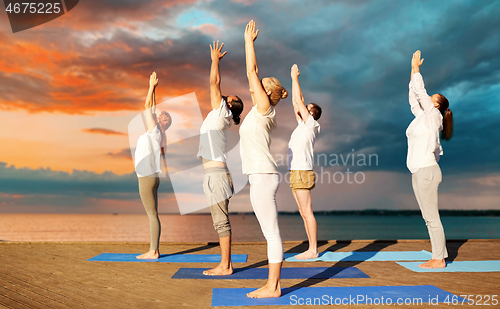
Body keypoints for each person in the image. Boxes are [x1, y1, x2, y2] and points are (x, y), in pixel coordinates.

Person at [240, 20, 288, 298]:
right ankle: (274, 284)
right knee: (269, 232)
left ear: (267, 93)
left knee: (271, 233)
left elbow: (251, 71)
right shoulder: (260, 112)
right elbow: (253, 77)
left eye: (260, 85)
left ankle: (273, 287)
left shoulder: (264, 107)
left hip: (263, 176)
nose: (255, 85)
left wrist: (248, 43)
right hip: (260, 176)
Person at [197, 41, 244, 276]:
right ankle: (226, 263)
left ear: (230, 105)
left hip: (216, 175)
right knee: (220, 220)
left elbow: (214, 82)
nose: (225, 95)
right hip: (215, 174)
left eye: (229, 96)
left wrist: (215, 60)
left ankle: (226, 266)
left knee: (221, 222)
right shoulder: (222, 113)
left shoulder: (221, 111)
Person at [407, 50, 453, 268]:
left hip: (426, 171)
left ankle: (439, 259)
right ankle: (438, 255)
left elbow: (421, 92)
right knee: (428, 216)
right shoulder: (423, 118)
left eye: (431, 100)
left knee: (431, 217)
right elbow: (413, 98)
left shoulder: (434, 117)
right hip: (419, 171)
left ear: (436, 106)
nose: (427, 100)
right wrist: (411, 71)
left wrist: (417, 70)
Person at [134, 71, 172, 259]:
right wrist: (154, 88)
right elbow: (153, 107)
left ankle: (153, 251)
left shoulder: (154, 130)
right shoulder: (157, 132)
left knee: (151, 215)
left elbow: (148, 106)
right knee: (153, 214)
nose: (158, 114)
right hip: (153, 177)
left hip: (147, 177)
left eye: (162, 115)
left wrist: (151, 86)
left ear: (162, 122)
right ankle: (154, 249)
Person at [289, 64, 322, 260]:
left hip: (302, 171)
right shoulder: (302, 124)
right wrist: (293, 81)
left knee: (307, 211)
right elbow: (295, 101)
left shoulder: (310, 124)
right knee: (302, 211)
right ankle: (311, 248)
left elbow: (299, 100)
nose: (302, 109)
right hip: (295, 171)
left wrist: (294, 77)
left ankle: (313, 249)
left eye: (307, 109)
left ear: (312, 114)